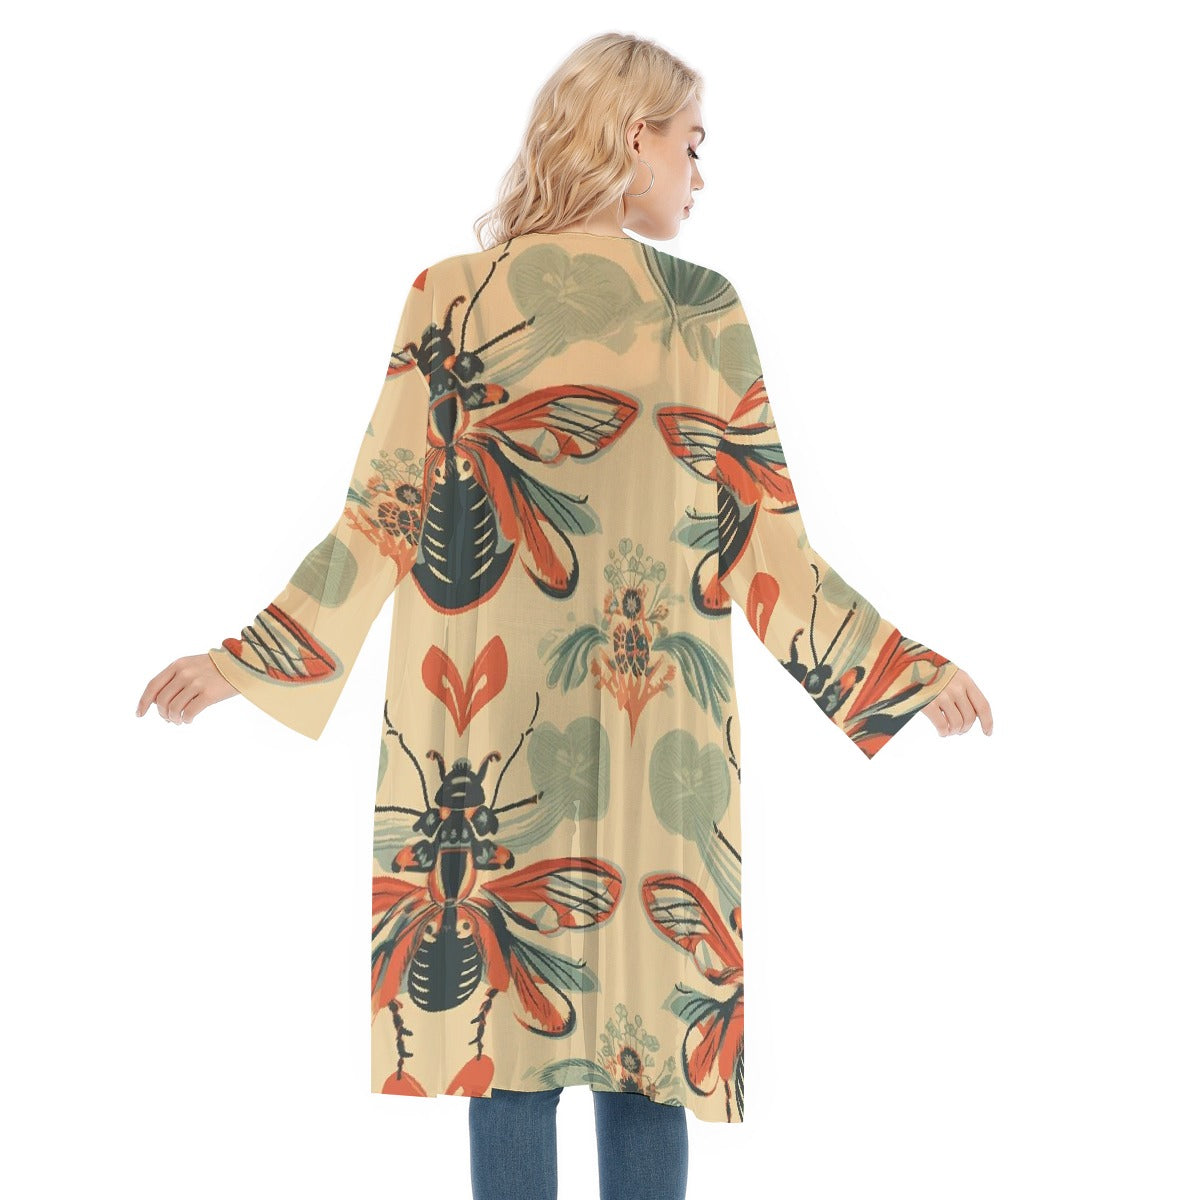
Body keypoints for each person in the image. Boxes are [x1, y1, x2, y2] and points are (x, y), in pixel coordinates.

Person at [136, 31, 991, 1200]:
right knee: (631, 1049)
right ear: (635, 138)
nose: (701, 173)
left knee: (526, 1048)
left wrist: (251, 659)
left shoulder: (485, 298)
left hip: (494, 739)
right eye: (692, 144)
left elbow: (381, 519)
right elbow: (764, 547)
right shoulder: (680, 312)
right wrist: (897, 669)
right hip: (631, 741)